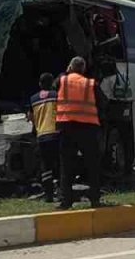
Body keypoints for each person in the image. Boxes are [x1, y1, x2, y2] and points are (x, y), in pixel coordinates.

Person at [56, 57, 107, 210]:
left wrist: (67, 71)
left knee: (66, 165)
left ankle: (66, 201)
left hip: (67, 127)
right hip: (88, 128)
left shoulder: (62, 80)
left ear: (70, 67)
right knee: (92, 165)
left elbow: (54, 88)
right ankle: (95, 199)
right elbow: (103, 103)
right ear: (84, 69)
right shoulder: (91, 84)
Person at [28, 72, 60, 202]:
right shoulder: (56, 96)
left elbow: (30, 117)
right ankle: (61, 190)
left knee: (45, 166)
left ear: (40, 84)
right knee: (59, 163)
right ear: (52, 83)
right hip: (56, 134)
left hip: (41, 135)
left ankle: (48, 195)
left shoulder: (33, 99)